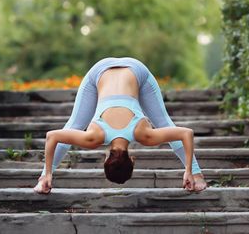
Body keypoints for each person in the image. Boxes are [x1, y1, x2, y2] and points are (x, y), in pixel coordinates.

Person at [33, 56, 208, 194]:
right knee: (72, 127)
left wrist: (188, 171)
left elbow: (186, 133)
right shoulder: (94, 137)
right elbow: (53, 136)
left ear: (132, 160)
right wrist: (48, 173)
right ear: (105, 160)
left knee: (165, 124)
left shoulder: (143, 134)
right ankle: (42, 180)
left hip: (132, 69)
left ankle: (198, 175)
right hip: (101, 70)